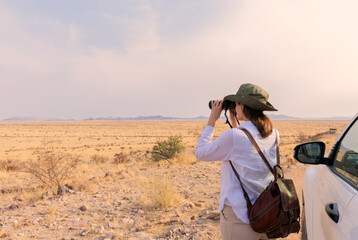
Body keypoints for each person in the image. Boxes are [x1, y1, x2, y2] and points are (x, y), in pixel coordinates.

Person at [195, 83, 278, 240]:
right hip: (268, 211)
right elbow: (246, 145)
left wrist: (212, 119)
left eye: (236, 103)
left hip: (240, 216)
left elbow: (200, 153)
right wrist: (234, 120)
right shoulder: (274, 133)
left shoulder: (235, 136)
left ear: (241, 105)